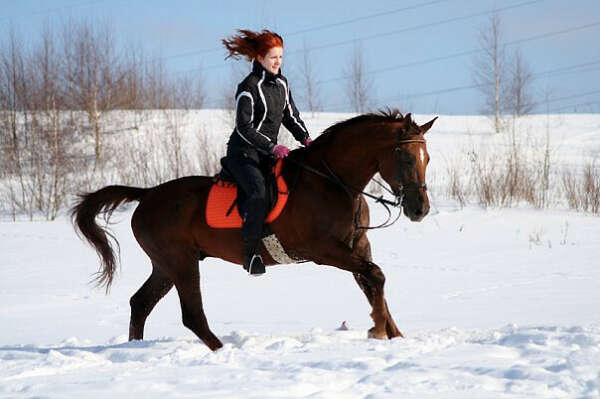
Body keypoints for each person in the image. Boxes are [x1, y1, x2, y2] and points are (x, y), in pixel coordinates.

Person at [222, 29, 313, 275]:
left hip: (268, 154)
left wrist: (305, 138)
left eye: (281, 57)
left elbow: (291, 116)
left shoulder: (282, 84)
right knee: (258, 192)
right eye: (273, 57)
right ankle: (250, 255)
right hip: (243, 153)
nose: (277, 62)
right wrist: (272, 146)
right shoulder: (248, 87)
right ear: (260, 57)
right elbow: (244, 127)